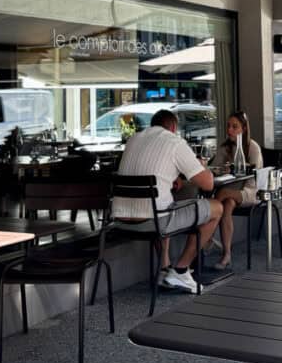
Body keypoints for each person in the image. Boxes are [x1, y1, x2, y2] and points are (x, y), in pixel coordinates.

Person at [112, 108, 223, 293]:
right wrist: (202, 166)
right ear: (173, 127)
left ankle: (165, 270)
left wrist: (173, 178)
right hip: (153, 222)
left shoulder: (134, 139)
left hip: (120, 221)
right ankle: (181, 269)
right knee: (217, 208)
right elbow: (208, 184)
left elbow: (150, 168)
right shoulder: (174, 142)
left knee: (163, 203)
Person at [210, 110, 264, 270]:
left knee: (222, 194)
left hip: (250, 191)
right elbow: (214, 169)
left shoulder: (252, 148)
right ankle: (227, 254)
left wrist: (233, 172)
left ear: (244, 129)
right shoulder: (225, 148)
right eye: (228, 126)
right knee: (226, 204)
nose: (230, 130)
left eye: (235, 126)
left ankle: (207, 236)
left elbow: (255, 178)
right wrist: (221, 170)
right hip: (231, 192)